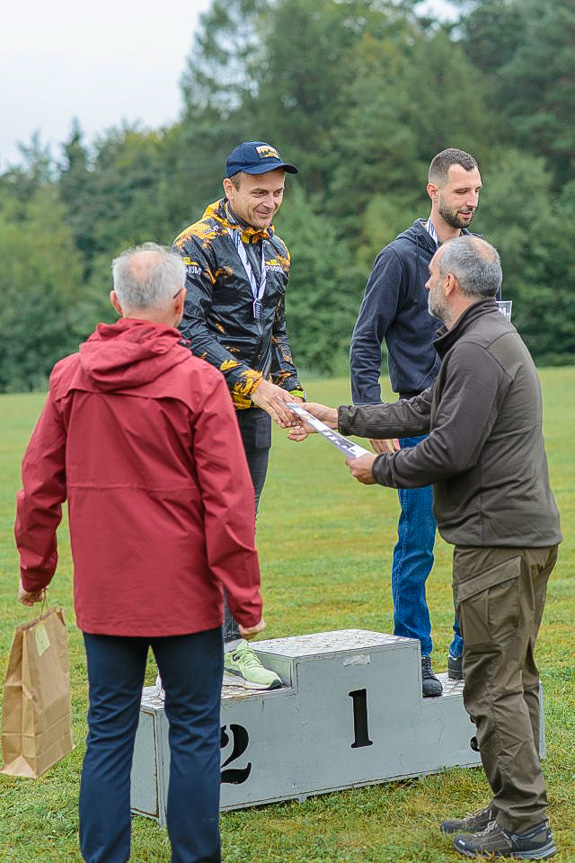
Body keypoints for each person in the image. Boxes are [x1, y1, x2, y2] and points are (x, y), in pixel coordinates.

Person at [291, 236, 561, 860]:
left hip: (500, 542)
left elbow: (449, 450)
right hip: (514, 537)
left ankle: (524, 825)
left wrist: (377, 471)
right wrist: (341, 416)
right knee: (509, 678)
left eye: (432, 276)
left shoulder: (478, 350)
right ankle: (511, 804)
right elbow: (424, 409)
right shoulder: (480, 341)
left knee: (492, 684)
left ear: (453, 285)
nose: (424, 285)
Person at [15, 243, 265, 863]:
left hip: (108, 595)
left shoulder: (70, 377)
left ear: (115, 304)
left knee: (108, 735)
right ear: (181, 305)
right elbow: (229, 500)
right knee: (195, 736)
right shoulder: (200, 382)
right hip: (186, 598)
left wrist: (35, 568)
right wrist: (245, 596)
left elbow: (39, 485)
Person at [349, 148, 484, 696]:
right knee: (419, 543)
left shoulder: (478, 257)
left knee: (475, 539)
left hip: (472, 417)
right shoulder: (400, 258)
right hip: (415, 420)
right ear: (434, 192)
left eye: (476, 191)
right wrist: (372, 418)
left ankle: (462, 653)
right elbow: (365, 338)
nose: (471, 201)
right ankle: (415, 656)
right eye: (461, 192)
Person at [173, 140, 305, 690]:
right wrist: (253, 383)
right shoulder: (194, 245)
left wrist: (290, 390)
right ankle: (208, 644)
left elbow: (275, 328)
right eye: (258, 192)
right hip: (200, 408)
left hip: (254, 410)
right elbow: (187, 330)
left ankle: (224, 642)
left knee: (240, 526)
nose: (269, 202)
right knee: (199, 527)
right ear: (229, 188)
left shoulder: (277, 249)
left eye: (277, 192)